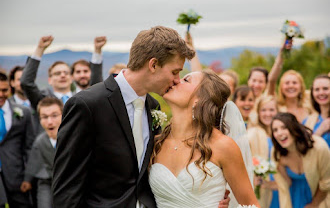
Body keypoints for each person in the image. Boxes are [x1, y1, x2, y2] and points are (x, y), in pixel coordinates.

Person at [52, 26, 197, 207]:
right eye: (175, 71)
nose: (177, 80)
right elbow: (67, 187)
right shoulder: (87, 105)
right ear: (153, 65)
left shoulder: (153, 106)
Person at [149, 70, 259, 207]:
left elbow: (251, 205)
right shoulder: (156, 143)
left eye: (186, 80)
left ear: (200, 99)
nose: (176, 80)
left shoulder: (222, 146)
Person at [20, 35, 103, 110]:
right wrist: (40, 49)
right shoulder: (43, 100)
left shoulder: (82, 98)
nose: (62, 75)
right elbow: (26, 83)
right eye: (57, 73)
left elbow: (97, 86)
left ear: (71, 78)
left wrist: (97, 50)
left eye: (66, 73)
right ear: (50, 80)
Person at [271, 112, 330, 208]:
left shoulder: (319, 147)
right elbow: (286, 183)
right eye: (275, 130)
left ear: (294, 128)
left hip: (319, 199)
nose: (279, 133)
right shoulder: (277, 154)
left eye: (284, 127)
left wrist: (314, 204)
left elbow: (326, 182)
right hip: (293, 199)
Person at [0, 72, 35, 208]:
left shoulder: (23, 112)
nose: (1, 94)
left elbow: (29, 147)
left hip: (16, 177)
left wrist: (28, 177)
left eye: (4, 90)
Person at [21, 97, 63, 208]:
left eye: (54, 116)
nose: (49, 122)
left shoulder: (73, 138)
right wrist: (27, 180)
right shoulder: (40, 141)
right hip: (47, 181)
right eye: (44, 117)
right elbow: (33, 161)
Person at [247, 96, 279, 208]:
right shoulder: (252, 134)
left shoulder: (282, 134)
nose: (268, 114)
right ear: (258, 113)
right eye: (263, 110)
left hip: (280, 184)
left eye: (271, 110)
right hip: (262, 185)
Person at [303, 74, 330, 147]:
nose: (321, 93)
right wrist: (320, 131)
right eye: (317, 89)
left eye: (325, 88)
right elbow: (303, 148)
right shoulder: (307, 122)